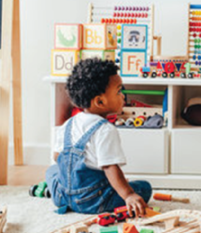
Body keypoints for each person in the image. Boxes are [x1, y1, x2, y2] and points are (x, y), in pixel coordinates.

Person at [46, 58, 152, 216]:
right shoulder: (105, 130)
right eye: (118, 91)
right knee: (144, 187)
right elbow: (110, 167)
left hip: (63, 196)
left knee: (52, 170)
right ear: (100, 101)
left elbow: (57, 157)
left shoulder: (68, 124)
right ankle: (120, 192)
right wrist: (128, 195)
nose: (123, 96)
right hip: (93, 201)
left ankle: (53, 192)